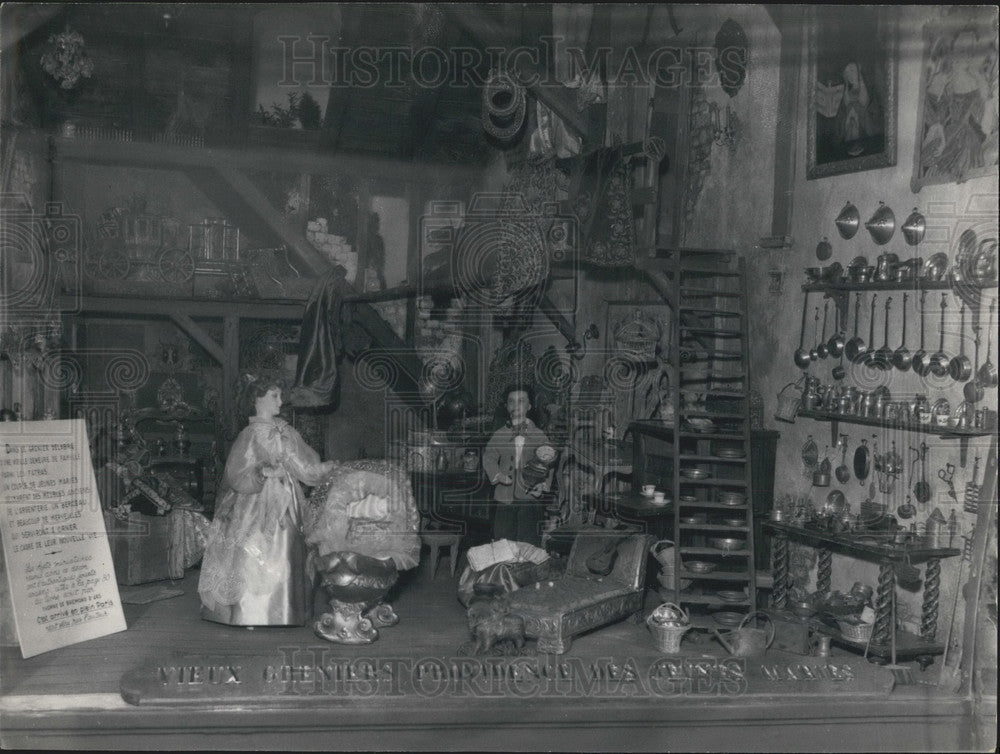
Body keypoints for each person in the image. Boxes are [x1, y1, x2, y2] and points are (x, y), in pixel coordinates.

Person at [198, 375, 336, 626]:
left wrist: (329, 469)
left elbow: (304, 466)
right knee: (251, 546)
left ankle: (284, 610)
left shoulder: (286, 431)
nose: (281, 401)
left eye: (281, 396)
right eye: (275, 396)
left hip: (286, 499)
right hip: (254, 501)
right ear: (257, 399)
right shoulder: (249, 434)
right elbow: (235, 473)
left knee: (288, 545)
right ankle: (249, 612)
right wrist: (261, 472)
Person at [483, 384, 552, 546]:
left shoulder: (539, 435)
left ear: (529, 406)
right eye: (511, 401)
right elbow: (489, 457)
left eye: (521, 401)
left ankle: (526, 568)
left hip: (529, 497)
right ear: (507, 407)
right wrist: (497, 475)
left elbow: (548, 462)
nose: (516, 405)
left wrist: (542, 485)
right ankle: (503, 569)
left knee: (527, 541)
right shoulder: (500, 434)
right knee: (503, 540)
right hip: (504, 497)